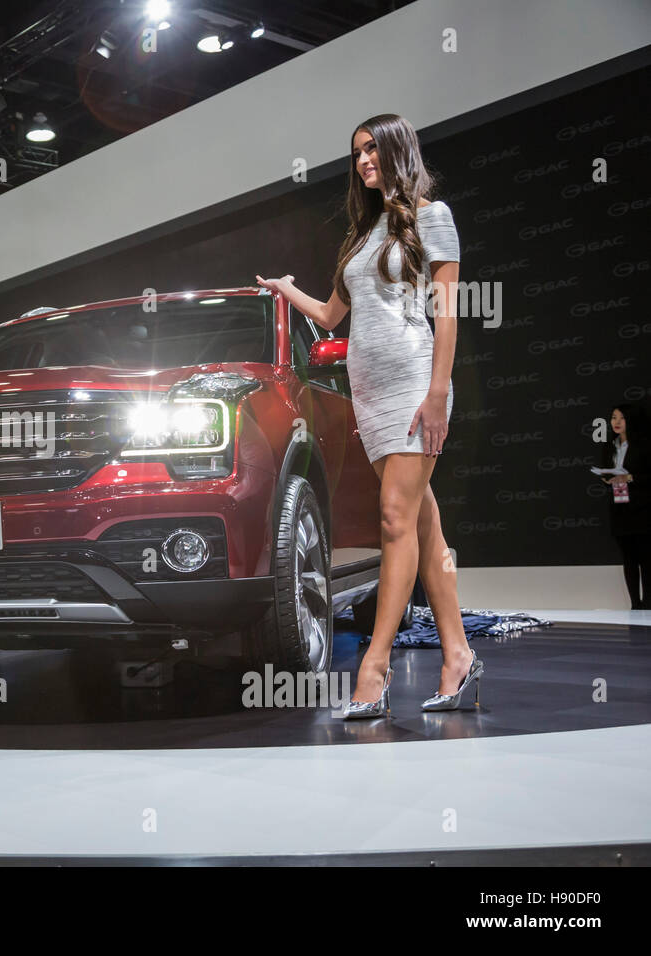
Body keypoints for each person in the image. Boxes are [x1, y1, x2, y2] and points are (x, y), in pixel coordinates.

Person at [255, 112, 481, 717]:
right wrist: (284, 289)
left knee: (392, 520)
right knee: (423, 524)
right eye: (356, 152)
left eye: (372, 150)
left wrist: (438, 394)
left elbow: (448, 315)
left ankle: (374, 670)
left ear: (397, 151)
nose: (362, 161)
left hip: (414, 385)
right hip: (371, 396)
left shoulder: (432, 218)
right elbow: (331, 318)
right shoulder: (361, 235)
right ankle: (458, 656)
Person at [600, 404, 651, 609]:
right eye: (613, 418)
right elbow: (606, 472)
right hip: (620, 508)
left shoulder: (644, 445)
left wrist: (629, 477)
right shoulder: (609, 447)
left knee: (646, 558)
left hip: (643, 508)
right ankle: (635, 604)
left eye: (622, 418)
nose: (617, 422)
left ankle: (648, 603)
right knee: (628, 558)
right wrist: (607, 479)